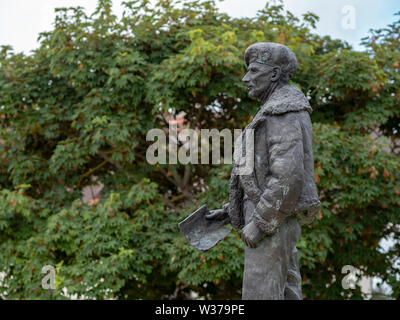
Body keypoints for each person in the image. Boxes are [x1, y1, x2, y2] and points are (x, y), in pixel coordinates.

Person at [206, 42, 321, 300]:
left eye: (254, 71)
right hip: (275, 219)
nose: (246, 79)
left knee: (260, 294)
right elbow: (259, 176)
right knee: (287, 293)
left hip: (272, 224)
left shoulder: (283, 113)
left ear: (274, 74)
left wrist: (260, 223)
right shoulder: (273, 111)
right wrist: (230, 211)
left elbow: (288, 176)